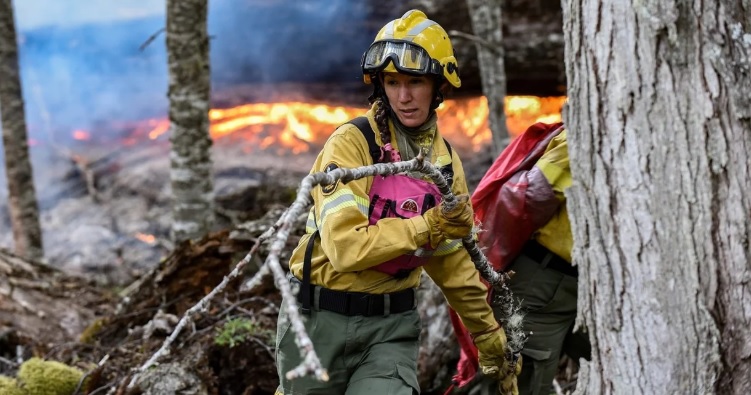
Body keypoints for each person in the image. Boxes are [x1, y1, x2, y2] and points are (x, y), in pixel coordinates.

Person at [274, 9, 519, 395]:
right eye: (392, 81)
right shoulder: (352, 144)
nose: (403, 96)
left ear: (440, 85)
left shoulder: (444, 164)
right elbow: (345, 249)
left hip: (390, 330)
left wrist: (488, 335)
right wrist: (429, 225)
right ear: (380, 85)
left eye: (415, 81)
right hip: (317, 320)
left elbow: (452, 263)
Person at [474, 122, 591, 395]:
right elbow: (531, 195)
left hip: (586, 289)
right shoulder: (585, 131)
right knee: (522, 384)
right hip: (542, 284)